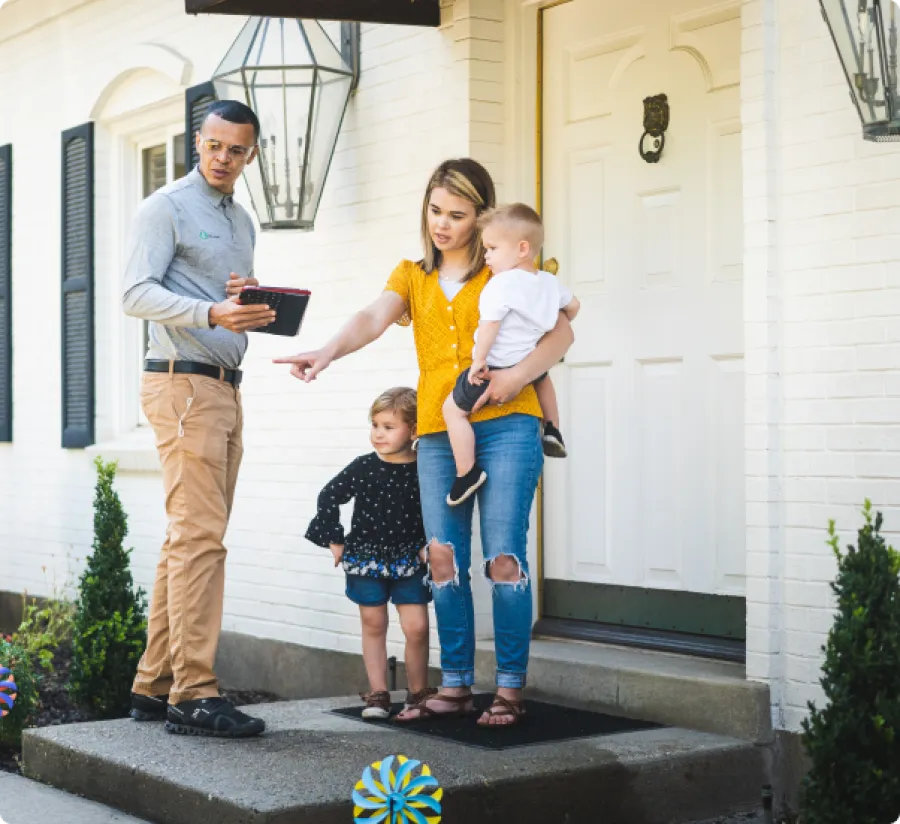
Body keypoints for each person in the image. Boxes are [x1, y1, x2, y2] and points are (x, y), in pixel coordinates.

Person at [272, 158, 575, 727]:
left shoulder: (505, 266)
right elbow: (371, 317)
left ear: (480, 216)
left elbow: (563, 331)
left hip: (511, 424)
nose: (442, 224)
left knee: (504, 555)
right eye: (435, 211)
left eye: (457, 215)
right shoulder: (412, 276)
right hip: (439, 432)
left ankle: (509, 688)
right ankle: (456, 683)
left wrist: (512, 379)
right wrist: (326, 352)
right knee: (441, 558)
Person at [123, 100, 275, 739]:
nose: (222, 158)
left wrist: (247, 305)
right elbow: (135, 293)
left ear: (251, 155)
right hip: (182, 384)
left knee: (188, 538)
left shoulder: (241, 220)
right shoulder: (164, 207)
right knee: (199, 539)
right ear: (198, 141)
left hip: (224, 389)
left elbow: (220, 296)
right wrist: (212, 315)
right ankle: (194, 692)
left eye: (236, 150)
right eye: (214, 145)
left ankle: (155, 685)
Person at [304, 387, 434, 719]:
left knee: (417, 626)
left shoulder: (426, 469)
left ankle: (418, 693)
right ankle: (378, 694)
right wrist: (333, 538)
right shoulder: (363, 467)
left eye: (388, 427)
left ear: (414, 429)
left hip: (409, 559)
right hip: (366, 558)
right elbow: (328, 495)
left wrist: (429, 543)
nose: (378, 433)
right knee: (373, 622)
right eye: (375, 425)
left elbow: (439, 508)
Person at [442, 203, 580, 506]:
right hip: (528, 357)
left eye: (491, 248)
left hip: (497, 364)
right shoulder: (548, 281)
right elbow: (573, 307)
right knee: (542, 377)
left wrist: (479, 360)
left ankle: (467, 472)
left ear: (521, 248)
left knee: (453, 410)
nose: (487, 255)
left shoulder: (500, 284)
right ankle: (553, 429)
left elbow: (490, 325)